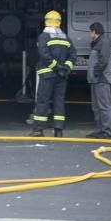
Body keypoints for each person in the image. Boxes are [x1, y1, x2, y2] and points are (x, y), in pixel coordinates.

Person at [29, 10, 77, 138]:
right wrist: (65, 68)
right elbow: (73, 55)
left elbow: (44, 55)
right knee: (59, 102)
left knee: (42, 101)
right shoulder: (66, 37)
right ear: (59, 22)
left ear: (46, 21)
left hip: (47, 75)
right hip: (62, 77)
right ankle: (58, 130)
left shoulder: (43, 37)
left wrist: (56, 67)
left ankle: (39, 129)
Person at [86, 21, 111, 139]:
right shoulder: (96, 43)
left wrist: (96, 73)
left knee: (104, 106)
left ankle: (106, 131)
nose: (89, 34)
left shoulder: (104, 42)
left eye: (90, 31)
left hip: (102, 80)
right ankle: (99, 130)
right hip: (95, 80)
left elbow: (103, 60)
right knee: (96, 107)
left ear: (94, 31)